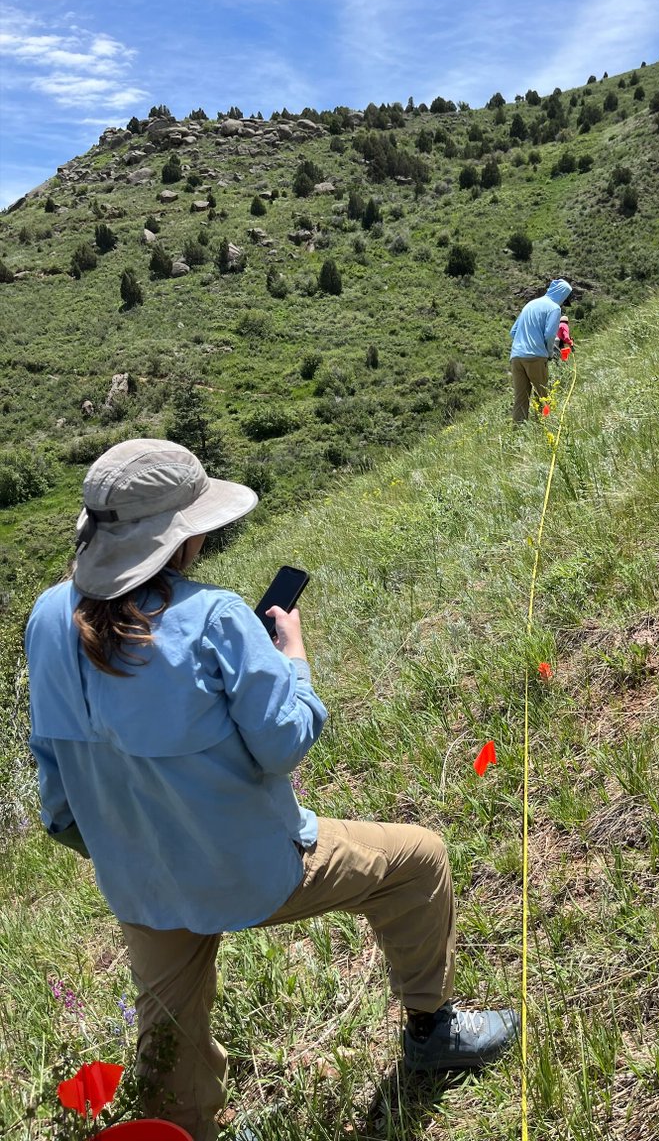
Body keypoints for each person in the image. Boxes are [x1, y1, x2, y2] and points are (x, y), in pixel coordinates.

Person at [25, 439, 518, 1141]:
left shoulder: (45, 621)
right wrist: (293, 659)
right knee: (420, 860)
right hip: (255, 869)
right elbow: (284, 743)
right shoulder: (219, 618)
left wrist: (126, 847)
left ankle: (184, 1124)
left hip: (141, 885)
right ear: (183, 538)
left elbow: (58, 804)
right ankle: (432, 1031)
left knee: (170, 1057)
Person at [508, 278, 572, 421]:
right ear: (562, 295)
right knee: (543, 396)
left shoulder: (530, 304)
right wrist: (549, 352)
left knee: (521, 398)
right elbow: (550, 334)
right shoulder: (554, 308)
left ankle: (517, 434)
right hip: (535, 356)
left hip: (516, 357)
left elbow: (513, 332)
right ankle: (543, 426)